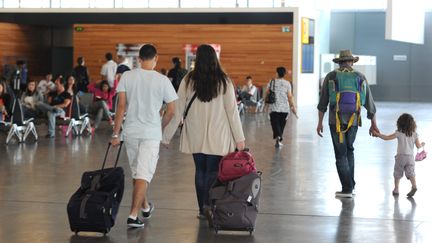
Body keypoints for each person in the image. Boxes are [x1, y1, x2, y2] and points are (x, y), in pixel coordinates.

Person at [162, 44, 245, 220]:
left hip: (195, 133)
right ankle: (210, 205)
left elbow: (178, 110)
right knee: (213, 172)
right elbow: (232, 112)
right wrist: (240, 138)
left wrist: (166, 136)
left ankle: (202, 209)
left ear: (197, 59)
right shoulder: (224, 81)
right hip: (218, 134)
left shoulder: (189, 80)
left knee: (200, 171)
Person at [110, 44, 177, 228]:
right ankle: (133, 215)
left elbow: (120, 107)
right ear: (156, 58)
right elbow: (172, 110)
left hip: (130, 132)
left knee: (138, 173)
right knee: (142, 175)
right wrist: (160, 125)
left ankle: (145, 207)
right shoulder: (162, 80)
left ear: (139, 59)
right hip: (150, 134)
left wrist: (116, 133)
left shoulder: (127, 76)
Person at [317, 49, 379, 198]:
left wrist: (319, 123)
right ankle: (351, 185)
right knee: (350, 150)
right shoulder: (360, 77)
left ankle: (347, 189)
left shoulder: (331, 76)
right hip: (354, 121)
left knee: (340, 154)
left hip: (335, 121)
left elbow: (323, 103)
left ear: (339, 62)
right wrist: (373, 123)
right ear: (352, 61)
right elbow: (370, 103)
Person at [374, 113, 424, 197]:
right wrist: (422, 144)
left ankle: (396, 188)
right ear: (413, 124)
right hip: (410, 158)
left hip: (400, 157)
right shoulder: (415, 134)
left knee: (397, 173)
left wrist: (377, 134)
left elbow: (386, 138)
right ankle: (414, 186)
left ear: (399, 123)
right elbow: (418, 146)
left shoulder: (398, 133)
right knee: (411, 173)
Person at [266, 67, 297, 148]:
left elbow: (267, 93)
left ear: (277, 73)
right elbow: (290, 96)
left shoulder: (271, 82)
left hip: (274, 107)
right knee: (281, 125)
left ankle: (278, 137)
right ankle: (279, 139)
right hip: (285, 108)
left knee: (275, 124)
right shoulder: (287, 83)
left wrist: (265, 104)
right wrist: (293, 107)